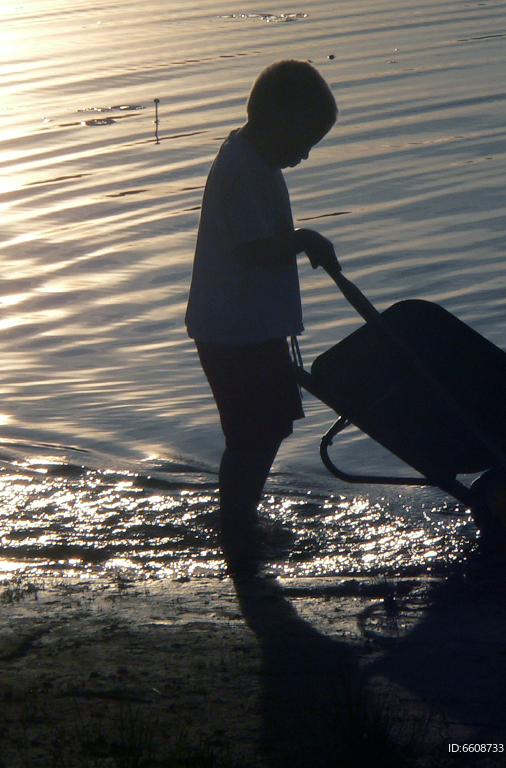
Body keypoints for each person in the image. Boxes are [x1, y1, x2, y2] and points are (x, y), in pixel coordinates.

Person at [185, 60, 339, 577]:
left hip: (249, 327)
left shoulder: (256, 159)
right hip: (233, 331)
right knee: (250, 435)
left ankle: (240, 522)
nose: (305, 154)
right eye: (303, 140)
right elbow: (251, 251)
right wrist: (302, 240)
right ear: (278, 122)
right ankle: (237, 533)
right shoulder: (243, 168)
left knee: (267, 428)